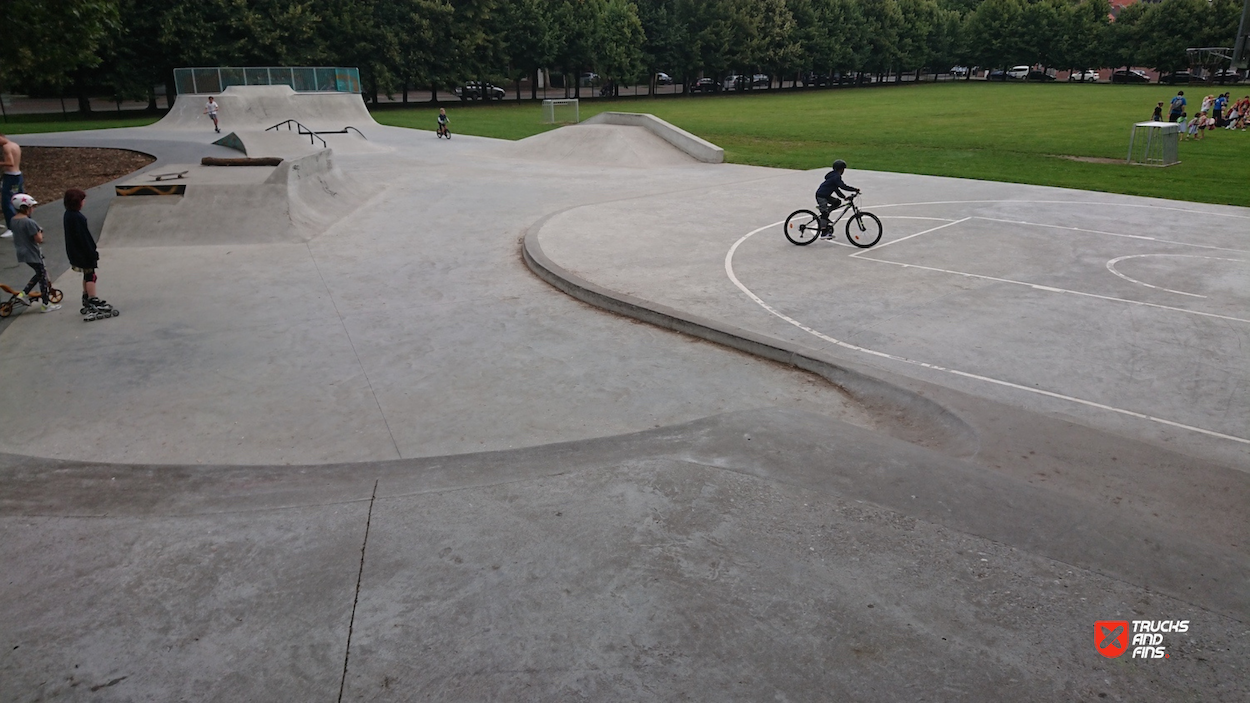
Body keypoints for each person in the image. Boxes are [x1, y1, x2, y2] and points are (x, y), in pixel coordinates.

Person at [63, 188, 112, 317]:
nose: (84, 202)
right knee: (91, 275)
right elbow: (84, 238)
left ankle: (86, 297)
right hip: (83, 252)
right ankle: (92, 299)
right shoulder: (78, 217)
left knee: (87, 273)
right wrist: (92, 252)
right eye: (82, 200)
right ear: (77, 202)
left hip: (74, 251)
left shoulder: (68, 214)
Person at [8, 194, 60, 313]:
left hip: (22, 252)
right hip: (32, 252)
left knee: (39, 274)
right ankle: (43, 303)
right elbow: (39, 239)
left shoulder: (13, 220)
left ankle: (25, 295)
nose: (33, 209)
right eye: (32, 207)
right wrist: (40, 231)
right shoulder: (29, 222)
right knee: (42, 276)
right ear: (25, 207)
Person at [814, 159, 861, 238]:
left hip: (826, 195)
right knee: (824, 212)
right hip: (821, 196)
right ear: (841, 169)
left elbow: (836, 189)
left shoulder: (834, 176)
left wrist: (844, 197)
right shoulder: (836, 177)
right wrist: (854, 189)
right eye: (843, 169)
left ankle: (825, 215)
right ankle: (824, 232)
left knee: (837, 202)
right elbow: (842, 186)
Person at [0, 134, 24, 238]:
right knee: (20, 198)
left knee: (7, 201)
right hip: (18, 175)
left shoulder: (6, 147)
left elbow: (10, 162)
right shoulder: (15, 145)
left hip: (10, 177)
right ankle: (26, 221)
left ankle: (11, 227)